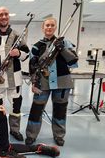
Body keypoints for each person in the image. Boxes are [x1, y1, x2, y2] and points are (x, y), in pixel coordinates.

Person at [25, 17, 78, 146]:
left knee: (60, 110)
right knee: (36, 110)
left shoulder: (65, 43)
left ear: (55, 28)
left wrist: (62, 49)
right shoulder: (37, 46)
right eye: (47, 25)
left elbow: (73, 62)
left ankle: (59, 136)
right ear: (43, 28)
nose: (49, 27)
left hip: (62, 82)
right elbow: (32, 66)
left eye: (52, 25)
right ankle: (31, 135)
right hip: (42, 82)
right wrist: (33, 83)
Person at [0, 7, 29, 141]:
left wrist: (19, 53)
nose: (3, 17)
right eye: (0, 15)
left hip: (15, 77)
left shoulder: (17, 35)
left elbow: (27, 54)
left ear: (9, 17)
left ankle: (14, 130)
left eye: (6, 14)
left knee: (16, 104)